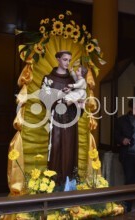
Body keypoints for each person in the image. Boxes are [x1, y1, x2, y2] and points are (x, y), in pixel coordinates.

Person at [39, 50, 78, 185]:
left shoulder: (73, 80)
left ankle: (69, 184)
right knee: (56, 150)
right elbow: (44, 100)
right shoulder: (48, 79)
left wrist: (75, 101)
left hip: (71, 121)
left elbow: (80, 99)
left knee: (70, 150)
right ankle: (54, 184)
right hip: (56, 121)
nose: (67, 62)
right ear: (58, 59)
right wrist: (60, 96)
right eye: (65, 59)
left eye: (69, 60)